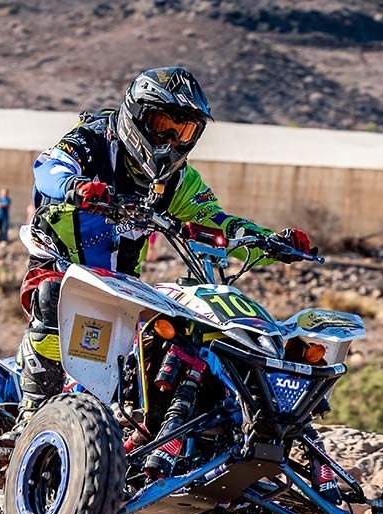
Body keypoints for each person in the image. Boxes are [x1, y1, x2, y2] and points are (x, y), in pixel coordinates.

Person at [16, 66, 312, 418]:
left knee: (181, 332)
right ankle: (31, 414)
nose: (171, 141)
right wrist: (75, 187)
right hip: (62, 268)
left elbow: (217, 222)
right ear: (136, 116)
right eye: (162, 125)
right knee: (52, 295)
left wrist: (271, 243)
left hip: (124, 290)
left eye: (183, 130)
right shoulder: (93, 140)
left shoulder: (178, 181)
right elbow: (48, 167)